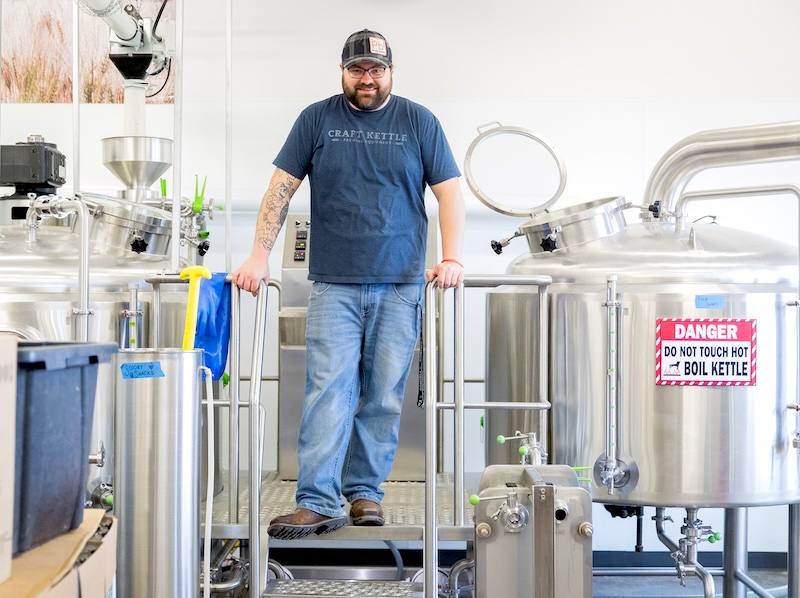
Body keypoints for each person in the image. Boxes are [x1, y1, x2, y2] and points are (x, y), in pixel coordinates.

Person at [232, 28, 465, 540]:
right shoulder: (317, 119)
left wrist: (451, 257)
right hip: (334, 285)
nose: (367, 78)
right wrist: (258, 255)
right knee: (327, 393)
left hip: (401, 285)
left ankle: (364, 494)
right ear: (343, 71)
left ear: (390, 72)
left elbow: (449, 192)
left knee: (383, 395)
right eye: (358, 69)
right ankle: (317, 500)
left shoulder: (419, 121)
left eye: (376, 69)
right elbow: (280, 188)